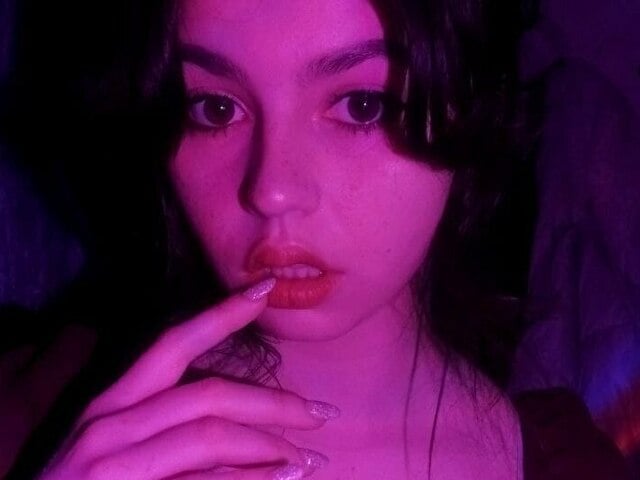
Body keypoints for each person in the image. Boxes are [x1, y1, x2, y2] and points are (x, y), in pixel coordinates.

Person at [23, 0, 629, 479]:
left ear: (468, 104)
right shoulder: (46, 417)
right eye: (215, 109)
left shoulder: (568, 461)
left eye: (363, 106)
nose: (272, 190)